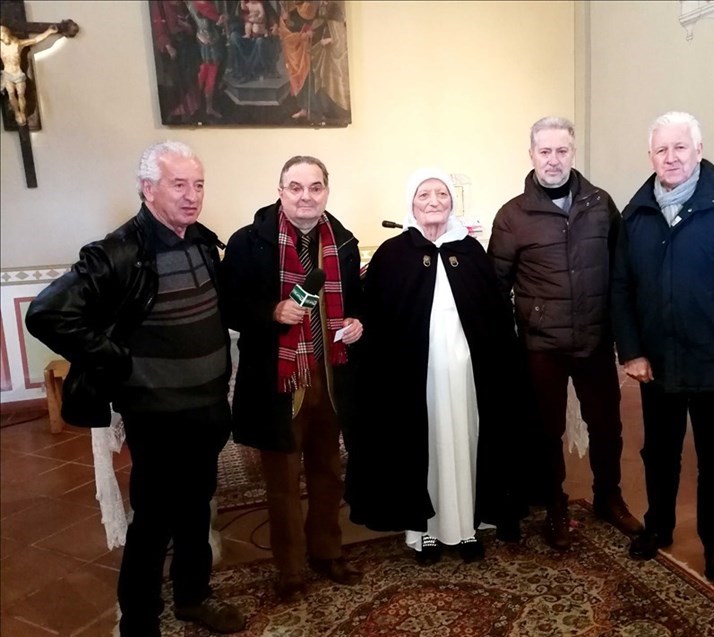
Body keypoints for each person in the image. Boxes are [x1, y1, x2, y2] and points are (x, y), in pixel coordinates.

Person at [25, 141, 245, 636]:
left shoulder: (203, 241)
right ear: (148, 188)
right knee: (153, 521)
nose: (192, 196)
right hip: (158, 413)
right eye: (179, 184)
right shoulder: (117, 251)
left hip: (208, 405)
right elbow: (45, 312)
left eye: (199, 184)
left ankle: (193, 597)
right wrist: (112, 358)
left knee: (197, 509)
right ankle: (140, 621)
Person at [611, 111, 714, 585]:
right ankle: (658, 528)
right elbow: (621, 288)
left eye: (680, 147)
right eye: (661, 149)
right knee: (658, 453)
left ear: (699, 150)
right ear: (651, 156)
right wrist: (632, 351)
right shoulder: (637, 211)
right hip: (656, 362)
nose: (671, 157)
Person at [345, 168, 526, 565]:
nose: (433, 201)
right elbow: (374, 312)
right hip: (415, 378)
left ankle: (464, 529)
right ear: (410, 203)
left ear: (452, 202)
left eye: (441, 194)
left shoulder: (470, 251)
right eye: (424, 194)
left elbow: (493, 316)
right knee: (421, 447)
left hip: (466, 377)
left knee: (464, 443)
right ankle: (422, 532)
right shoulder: (393, 254)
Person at [488, 116, 644, 551]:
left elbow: (621, 271)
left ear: (573, 153)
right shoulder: (513, 216)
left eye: (562, 151)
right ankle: (554, 503)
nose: (553, 160)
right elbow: (496, 286)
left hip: (595, 339)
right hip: (542, 346)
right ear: (532, 154)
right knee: (546, 431)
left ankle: (608, 497)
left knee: (607, 426)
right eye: (545, 151)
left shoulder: (599, 203)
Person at [219, 155, 364, 602]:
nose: (307, 196)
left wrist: (359, 322)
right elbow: (228, 305)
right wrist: (271, 312)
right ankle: (290, 569)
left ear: (326, 191)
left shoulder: (344, 243)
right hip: (278, 380)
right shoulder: (249, 242)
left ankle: (326, 550)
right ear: (281, 191)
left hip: (330, 375)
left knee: (327, 472)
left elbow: (358, 300)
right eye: (296, 187)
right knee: (282, 481)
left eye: (315, 187)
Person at [0, 23, 58, 126]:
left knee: (21, 94)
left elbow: (35, 40)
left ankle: (22, 112)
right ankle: (17, 113)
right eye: (1, 36)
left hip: (18, 73)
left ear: (8, 34)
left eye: (4, 34)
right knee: (11, 94)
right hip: (7, 73)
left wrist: (48, 32)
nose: (3, 37)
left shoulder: (17, 44)